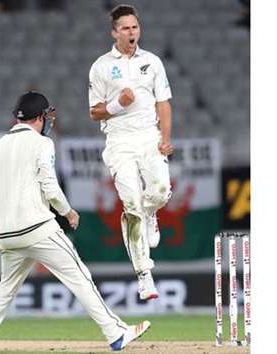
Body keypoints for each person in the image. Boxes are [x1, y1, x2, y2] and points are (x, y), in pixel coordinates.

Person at [0, 91, 151, 353]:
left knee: (5, 288)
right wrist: (68, 212)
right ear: (39, 117)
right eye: (46, 116)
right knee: (80, 276)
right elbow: (49, 185)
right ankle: (116, 333)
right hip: (37, 228)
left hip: (7, 234)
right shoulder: (42, 144)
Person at [88, 4, 173, 301]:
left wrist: (165, 138)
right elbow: (94, 112)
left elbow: (163, 102)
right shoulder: (100, 66)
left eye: (134, 27)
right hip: (119, 141)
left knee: (160, 192)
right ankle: (144, 276)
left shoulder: (152, 62)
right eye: (125, 27)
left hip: (149, 136)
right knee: (130, 206)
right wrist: (117, 105)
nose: (131, 31)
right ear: (114, 32)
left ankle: (151, 214)